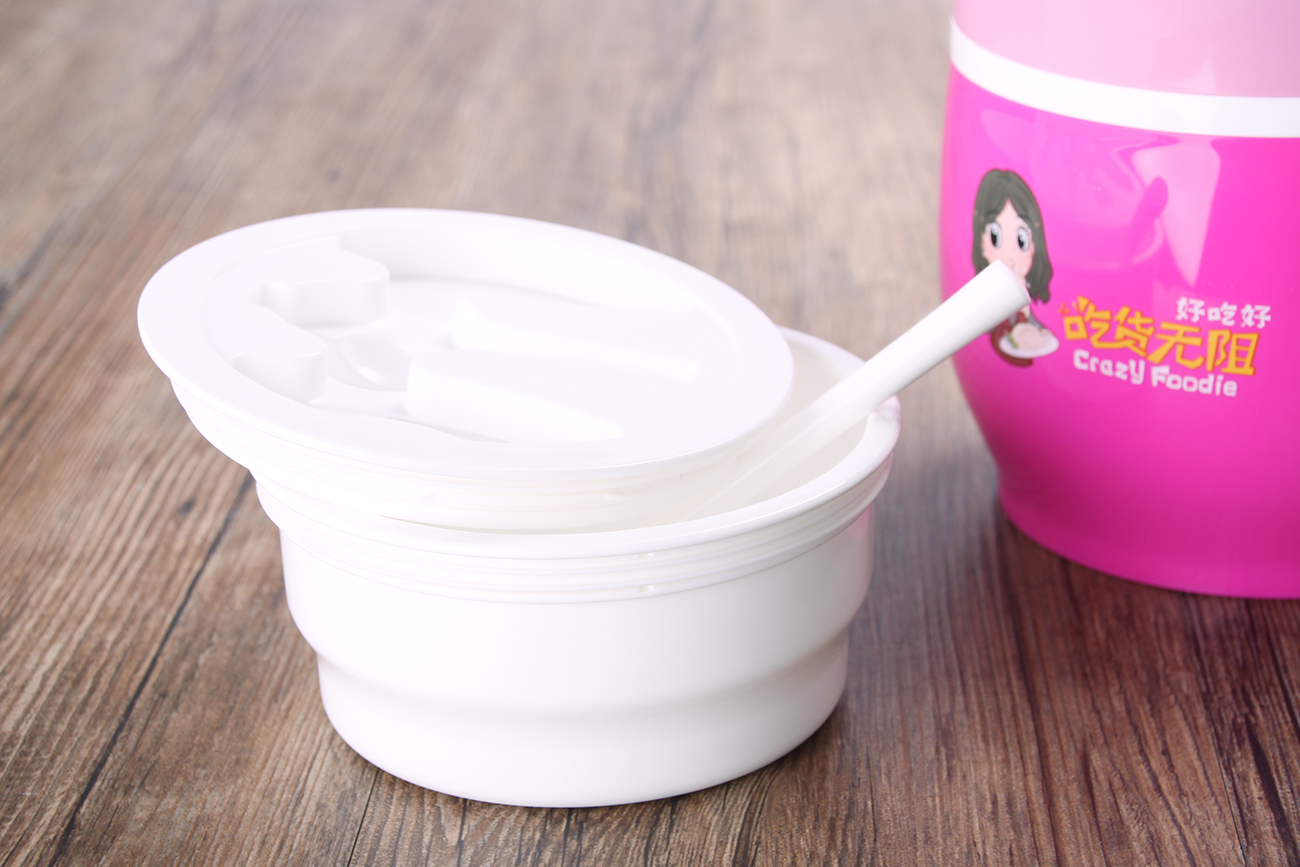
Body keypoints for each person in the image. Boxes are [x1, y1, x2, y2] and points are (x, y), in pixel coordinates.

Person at [971, 169, 1056, 365]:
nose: (1010, 258)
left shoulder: (1023, 298)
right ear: (981, 239)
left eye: (1021, 241)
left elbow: (1028, 322)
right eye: (995, 237)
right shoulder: (985, 296)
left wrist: (1039, 333)